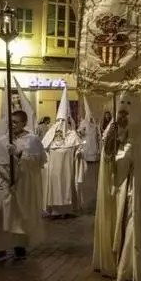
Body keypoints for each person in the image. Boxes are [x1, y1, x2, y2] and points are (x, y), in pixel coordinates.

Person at [92, 92, 141, 281]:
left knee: (133, 227)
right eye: (122, 106)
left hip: (136, 190)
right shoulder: (115, 128)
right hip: (119, 190)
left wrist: (128, 152)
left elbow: (140, 159)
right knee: (119, 227)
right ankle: (120, 265)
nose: (125, 110)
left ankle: (127, 275)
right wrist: (113, 133)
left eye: (129, 105)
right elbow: (108, 158)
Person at [0, 110, 46, 265]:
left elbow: (39, 163)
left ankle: (19, 246)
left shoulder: (32, 141)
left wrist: (19, 154)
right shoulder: (3, 140)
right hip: (4, 184)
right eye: (11, 122)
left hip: (23, 185)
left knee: (19, 217)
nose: (13, 125)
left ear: (24, 123)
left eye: (16, 122)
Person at [42, 86, 86, 218]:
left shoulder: (72, 135)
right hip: (53, 169)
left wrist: (79, 152)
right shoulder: (50, 134)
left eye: (63, 121)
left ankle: (66, 210)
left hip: (67, 168)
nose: (61, 124)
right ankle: (55, 211)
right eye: (59, 121)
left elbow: (79, 148)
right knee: (54, 188)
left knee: (66, 187)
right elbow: (43, 148)